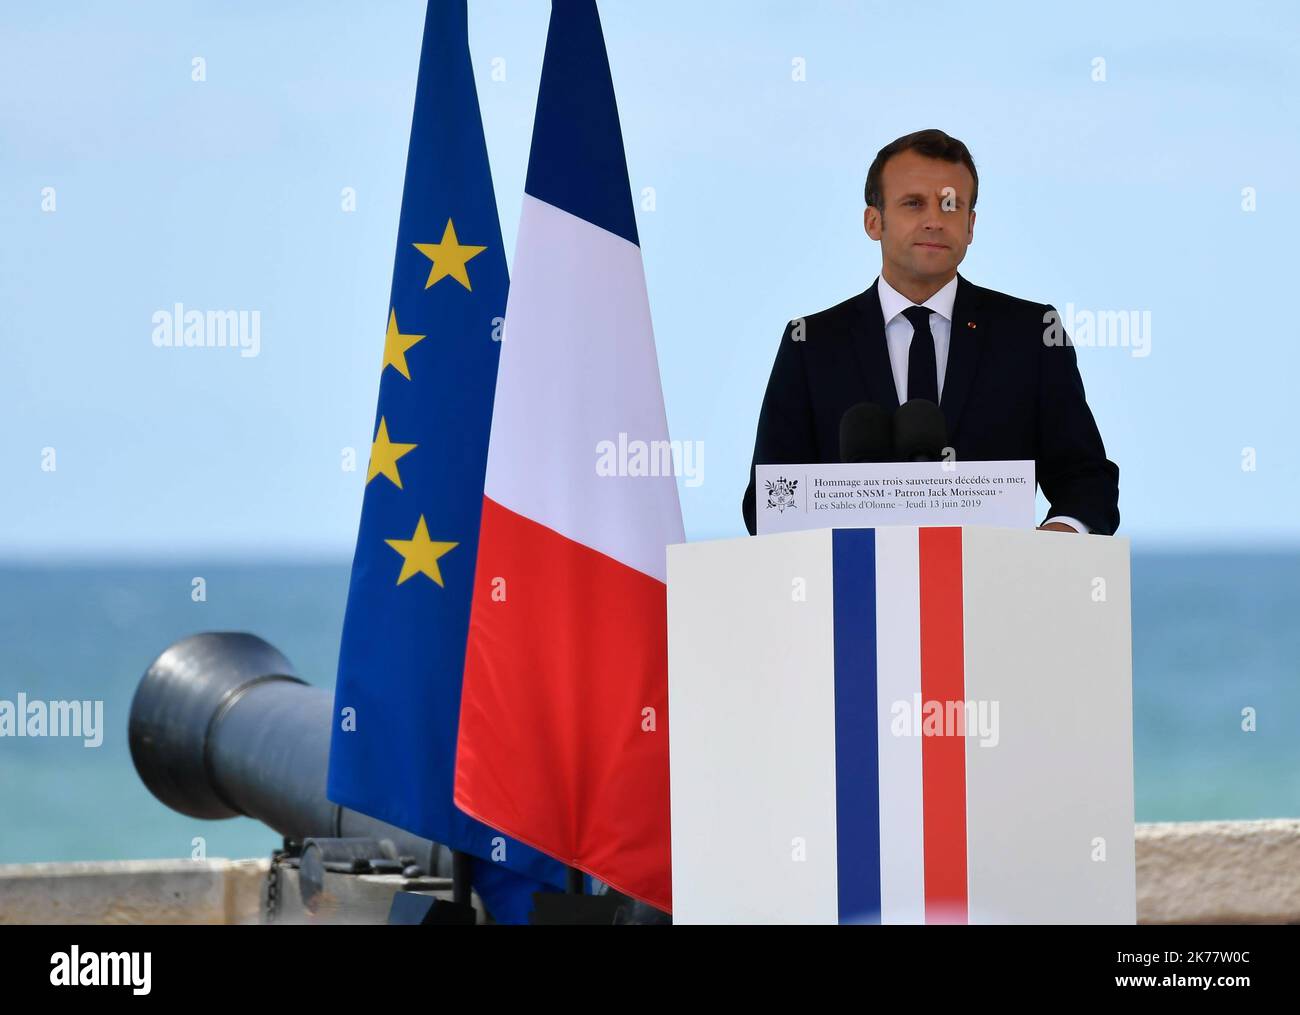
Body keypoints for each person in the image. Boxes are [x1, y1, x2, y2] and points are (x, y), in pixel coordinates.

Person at [741, 128, 1119, 537]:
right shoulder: (811, 343)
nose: (935, 221)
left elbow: (1087, 481)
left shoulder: (1031, 334)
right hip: (852, 591)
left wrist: (1055, 540)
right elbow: (768, 501)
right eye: (914, 204)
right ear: (874, 221)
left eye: (950, 205)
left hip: (995, 591)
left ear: (971, 226)